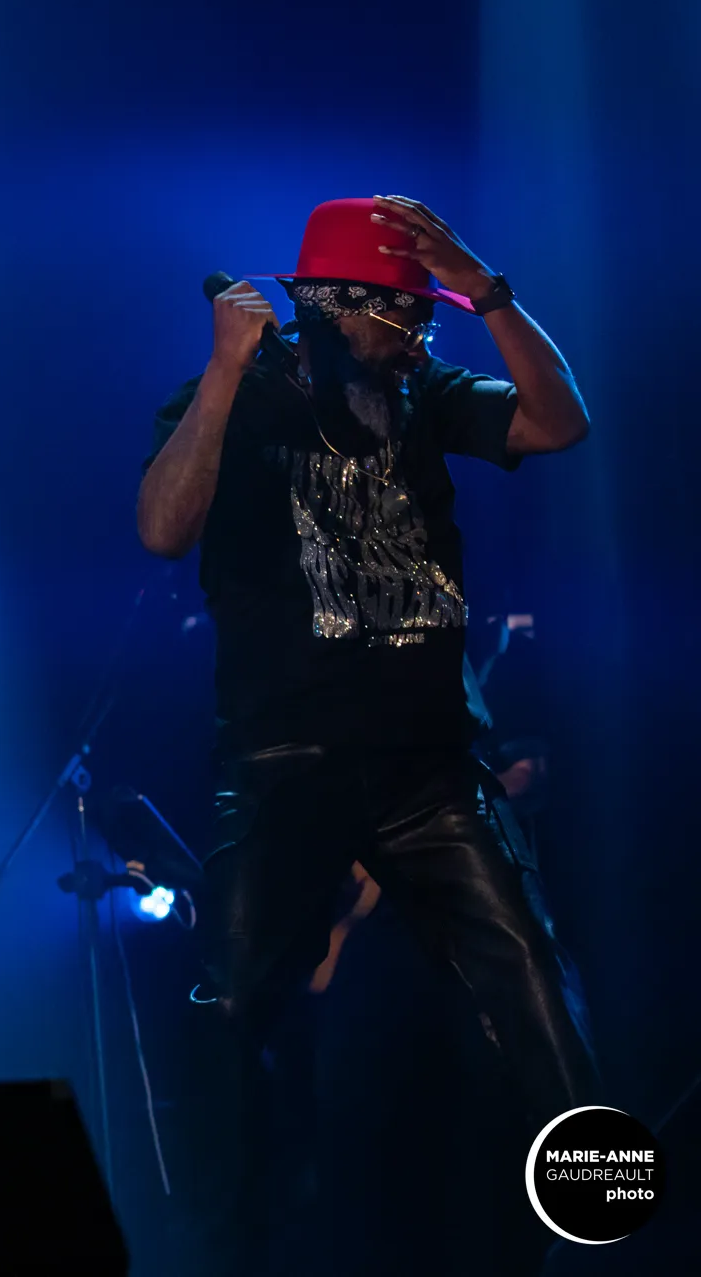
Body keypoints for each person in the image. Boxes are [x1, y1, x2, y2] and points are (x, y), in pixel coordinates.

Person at [138, 197, 598, 1268]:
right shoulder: (235, 397)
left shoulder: (424, 392)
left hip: (427, 765)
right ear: (339, 309)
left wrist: (484, 288)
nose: (416, 334)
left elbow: (557, 421)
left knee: (530, 979)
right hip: (280, 759)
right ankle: (213, 1244)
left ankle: (592, 1225)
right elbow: (162, 529)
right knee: (226, 995)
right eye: (400, 315)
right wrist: (218, 372)